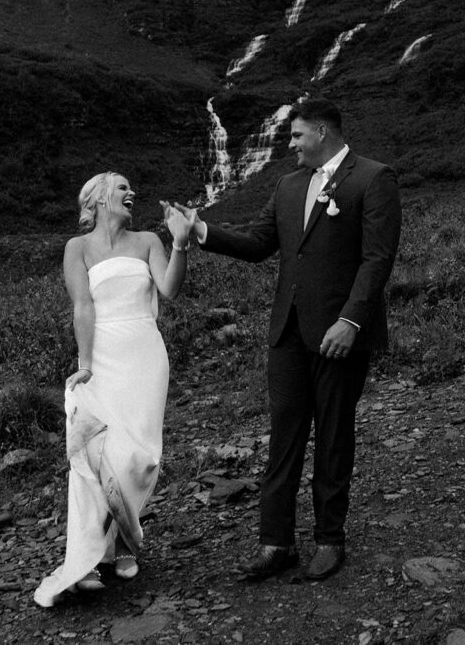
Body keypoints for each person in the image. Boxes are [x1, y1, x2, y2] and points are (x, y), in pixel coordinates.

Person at [172, 98, 401, 581]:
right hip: (288, 334)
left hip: (340, 333)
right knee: (284, 435)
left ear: (321, 131)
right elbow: (258, 243)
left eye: (297, 136)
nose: (291, 144)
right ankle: (276, 543)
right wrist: (201, 230)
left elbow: (376, 260)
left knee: (335, 435)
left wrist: (352, 321)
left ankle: (329, 540)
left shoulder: (373, 178)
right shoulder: (288, 184)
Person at [34, 171, 192, 608]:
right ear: (100, 197)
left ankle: (123, 542)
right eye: (122, 187)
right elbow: (83, 307)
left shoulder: (147, 241)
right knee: (95, 453)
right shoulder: (77, 248)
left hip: (144, 354)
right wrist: (85, 365)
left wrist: (179, 243)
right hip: (102, 356)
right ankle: (93, 557)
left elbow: (170, 289)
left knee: (139, 456)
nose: (131, 193)